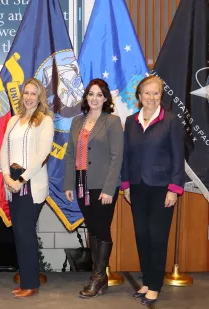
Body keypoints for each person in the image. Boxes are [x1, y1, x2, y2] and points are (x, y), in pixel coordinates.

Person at [121, 75, 185, 305]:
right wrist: (126, 184)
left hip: (162, 188)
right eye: (146, 92)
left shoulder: (171, 120)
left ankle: (155, 284)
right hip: (137, 187)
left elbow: (179, 157)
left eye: (155, 92)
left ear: (161, 96)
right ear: (139, 96)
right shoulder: (130, 121)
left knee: (158, 237)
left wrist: (174, 189)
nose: (151, 97)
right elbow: (126, 156)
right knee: (141, 235)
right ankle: (147, 280)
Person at [63, 78, 124, 298]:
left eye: (99, 94)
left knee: (101, 228)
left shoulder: (112, 121)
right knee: (92, 228)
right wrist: (68, 183)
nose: (95, 98)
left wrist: (109, 188)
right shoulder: (77, 122)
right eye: (91, 94)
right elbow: (70, 154)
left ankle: (98, 277)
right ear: (86, 97)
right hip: (81, 184)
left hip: (103, 185)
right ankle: (101, 278)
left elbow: (117, 157)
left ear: (106, 98)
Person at [0, 78, 54, 298]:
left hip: (30, 181)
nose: (29, 97)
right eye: (26, 93)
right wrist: (6, 176)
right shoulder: (13, 120)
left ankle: (31, 284)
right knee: (19, 233)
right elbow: (4, 149)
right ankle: (25, 279)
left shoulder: (45, 121)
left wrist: (20, 180)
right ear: (21, 96)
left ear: (40, 97)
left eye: (34, 93)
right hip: (11, 179)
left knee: (26, 232)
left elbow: (42, 155)